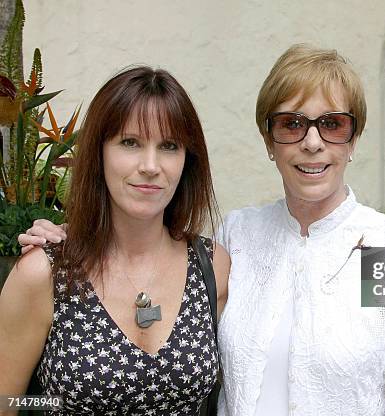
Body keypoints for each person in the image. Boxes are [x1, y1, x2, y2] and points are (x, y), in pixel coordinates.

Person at [17, 45, 385, 415]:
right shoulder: (239, 236)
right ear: (268, 140)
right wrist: (66, 236)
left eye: (333, 124)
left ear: (353, 139)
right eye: (291, 124)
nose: (313, 142)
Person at [0, 66, 230, 415]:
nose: (151, 165)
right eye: (130, 142)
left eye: (169, 146)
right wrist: (58, 403)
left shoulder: (210, 265)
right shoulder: (45, 273)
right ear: (99, 152)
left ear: (188, 160)